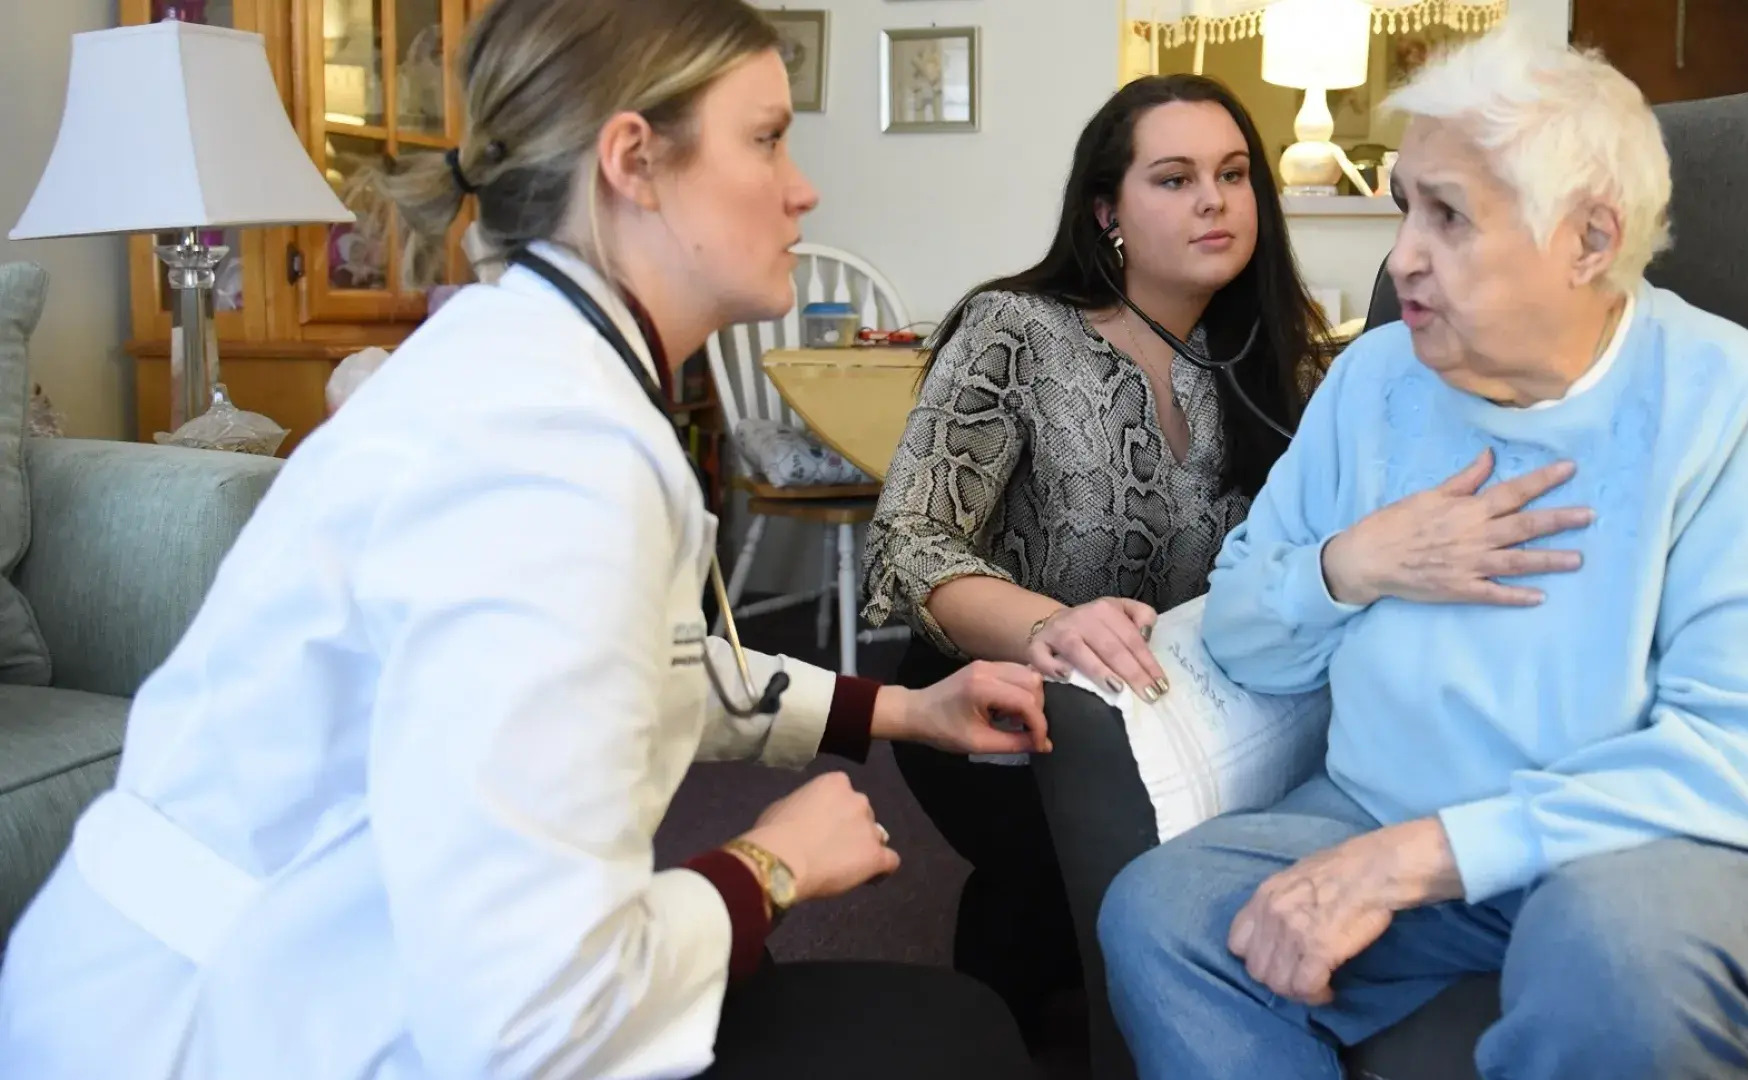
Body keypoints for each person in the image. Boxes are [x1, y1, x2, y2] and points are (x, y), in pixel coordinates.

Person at [0, 2, 1050, 1077]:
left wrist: (900, 708)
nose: (803, 187)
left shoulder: (531, 372)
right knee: (953, 1041)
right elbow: (530, 1020)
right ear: (634, 161)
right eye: (767, 138)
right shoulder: (549, 455)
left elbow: (623, 672)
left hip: (298, 965)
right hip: (218, 1025)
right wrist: (770, 866)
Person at [1098, 32, 1748, 1080]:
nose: (1400, 258)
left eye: (1448, 215)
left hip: (1692, 837)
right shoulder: (1376, 380)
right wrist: (1352, 563)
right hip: (1395, 810)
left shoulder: (1728, 398)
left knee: (1611, 955)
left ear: (1587, 239)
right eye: (1404, 205)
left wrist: (1420, 859)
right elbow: (1246, 638)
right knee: (1165, 914)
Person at [858, 73, 1589, 1042]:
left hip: (1201, 698)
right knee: (1059, 897)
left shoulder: (1279, 355)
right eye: (1174, 178)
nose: (1214, 199)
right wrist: (1049, 623)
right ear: (1106, 210)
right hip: (1005, 697)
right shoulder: (1016, 331)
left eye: (1235, 174)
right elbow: (909, 538)